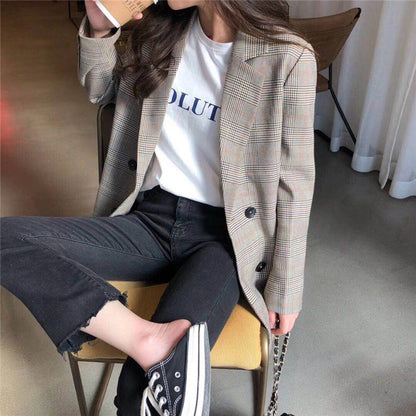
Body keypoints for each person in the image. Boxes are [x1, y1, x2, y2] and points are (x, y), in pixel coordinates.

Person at [0, 0, 317, 415]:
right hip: (148, 221)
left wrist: (286, 288)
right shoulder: (160, 33)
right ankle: (143, 338)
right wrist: (98, 28)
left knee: (142, 390)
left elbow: (294, 182)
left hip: (224, 243)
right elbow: (100, 90)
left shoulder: (288, 58)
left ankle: (150, 348)